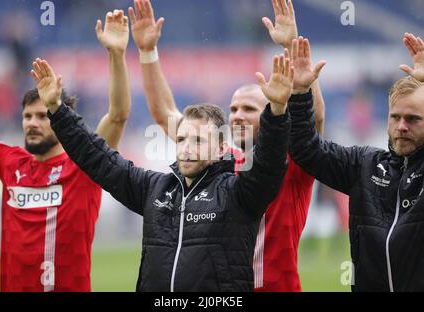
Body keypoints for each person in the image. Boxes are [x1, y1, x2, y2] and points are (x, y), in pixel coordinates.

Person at [31, 45, 294, 291]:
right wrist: (57, 109)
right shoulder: (155, 189)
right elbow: (98, 158)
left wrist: (278, 111)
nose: (187, 148)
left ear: (219, 149)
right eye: (181, 140)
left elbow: (268, 166)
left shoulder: (238, 194)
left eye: (199, 140)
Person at [128, 0, 325, 291]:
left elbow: (314, 118)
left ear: (272, 112)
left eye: (248, 108)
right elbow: (165, 114)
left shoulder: (291, 161)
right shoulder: (218, 158)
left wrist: (293, 46)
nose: (237, 116)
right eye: (233, 109)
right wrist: (147, 52)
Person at [0, 10, 131, 292]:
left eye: (43, 116)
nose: (32, 123)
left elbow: (118, 116)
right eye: (27, 116)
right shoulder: (10, 162)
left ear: (61, 121)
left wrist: (116, 55)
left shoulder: (85, 165)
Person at [289, 32, 424, 291]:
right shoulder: (365, 165)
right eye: (395, 117)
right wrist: (299, 92)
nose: (402, 126)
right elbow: (306, 149)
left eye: (413, 119)